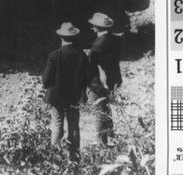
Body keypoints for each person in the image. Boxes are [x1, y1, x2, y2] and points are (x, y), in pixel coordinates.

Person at [42, 22, 90, 161]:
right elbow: (87, 78)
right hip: (75, 97)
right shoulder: (81, 55)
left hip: (57, 97)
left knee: (57, 124)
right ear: (74, 37)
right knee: (74, 124)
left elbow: (46, 79)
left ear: (60, 37)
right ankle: (74, 156)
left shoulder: (54, 55)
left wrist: (50, 86)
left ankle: (56, 157)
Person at [87, 12, 123, 146]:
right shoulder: (115, 40)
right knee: (107, 109)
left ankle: (102, 144)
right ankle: (111, 137)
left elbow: (92, 66)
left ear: (95, 27)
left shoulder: (97, 45)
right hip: (113, 79)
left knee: (99, 112)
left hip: (98, 82)